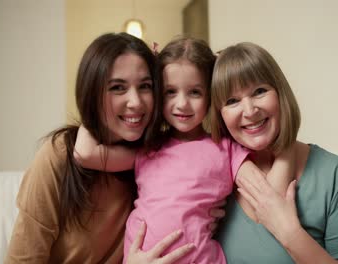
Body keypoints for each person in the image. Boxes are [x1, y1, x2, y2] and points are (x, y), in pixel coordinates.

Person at [74, 37, 294, 263]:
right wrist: (93, 104)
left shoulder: (226, 150)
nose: (182, 104)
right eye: (171, 92)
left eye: (195, 92)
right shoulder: (148, 149)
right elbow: (85, 153)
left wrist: (288, 145)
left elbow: (267, 197)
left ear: (210, 95)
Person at [5, 32, 207, 264]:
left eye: (145, 86)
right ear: (93, 93)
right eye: (118, 88)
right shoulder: (59, 156)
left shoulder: (158, 155)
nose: (136, 102)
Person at [210, 42, 338, 263]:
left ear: (280, 93)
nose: (249, 111)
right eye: (232, 101)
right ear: (219, 114)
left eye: (259, 91)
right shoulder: (209, 175)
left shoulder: (335, 174)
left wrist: (290, 234)